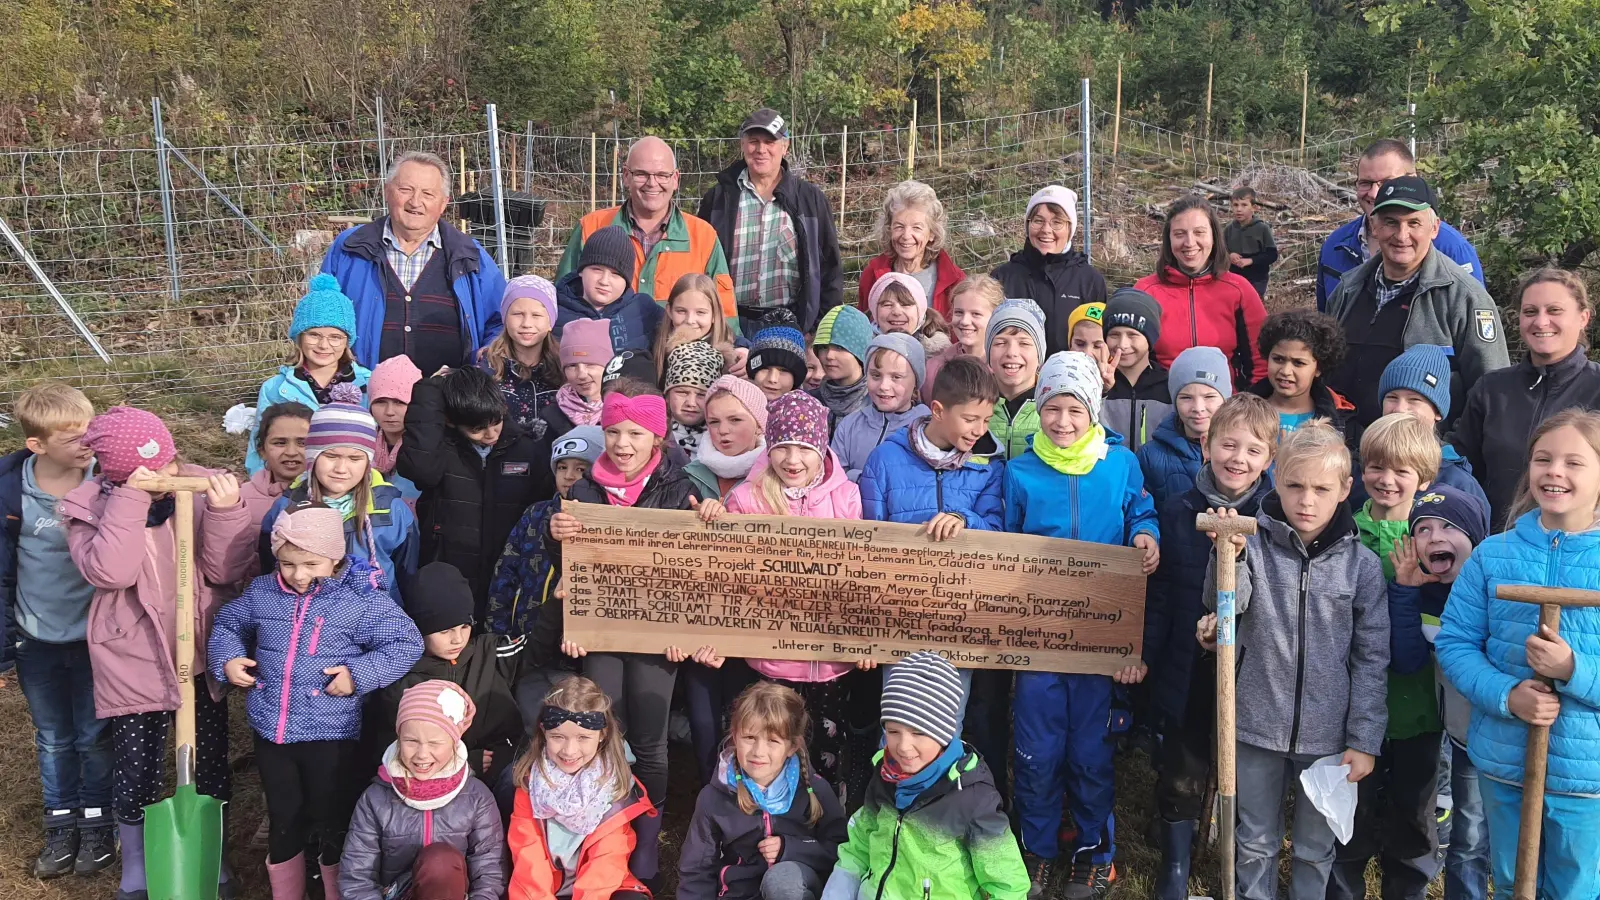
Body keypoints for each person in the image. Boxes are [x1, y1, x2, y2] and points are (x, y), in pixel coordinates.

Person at [61, 406, 257, 900]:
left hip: (196, 651)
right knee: (138, 764)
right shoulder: (86, 508)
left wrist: (229, 511)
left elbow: (223, 570)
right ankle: (137, 868)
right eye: (148, 473)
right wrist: (130, 498)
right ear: (114, 475)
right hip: (136, 656)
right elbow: (113, 572)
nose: (164, 478)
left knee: (210, 762)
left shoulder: (201, 488)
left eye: (167, 466)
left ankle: (211, 855)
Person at [1195, 421, 1388, 900]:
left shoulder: (1360, 566)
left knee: (1313, 847)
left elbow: (1371, 658)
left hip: (1328, 737)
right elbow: (1223, 605)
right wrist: (1231, 558)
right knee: (1255, 840)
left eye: (1321, 489)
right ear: (1276, 479)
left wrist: (1364, 738)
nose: (1306, 501)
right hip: (1255, 723)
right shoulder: (1251, 543)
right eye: (1295, 485)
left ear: (1346, 489)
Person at [209, 502, 423, 899]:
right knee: (283, 817)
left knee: (331, 817)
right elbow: (228, 622)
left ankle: (337, 890)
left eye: (310, 564)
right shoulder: (262, 592)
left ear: (335, 557)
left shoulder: (360, 599)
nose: (298, 575)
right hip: (273, 731)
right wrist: (227, 659)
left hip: (331, 732)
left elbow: (406, 643)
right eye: (288, 564)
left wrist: (358, 676)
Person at [1007, 351, 1159, 900]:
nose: (1063, 422)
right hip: (1039, 639)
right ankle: (1040, 849)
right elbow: (1005, 541)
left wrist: (1146, 536)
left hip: (1099, 640)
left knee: (1092, 753)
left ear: (1094, 410)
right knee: (1037, 752)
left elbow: (1140, 511)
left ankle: (1096, 852)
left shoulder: (1119, 465)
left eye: (1075, 409)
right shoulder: (1021, 470)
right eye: (1052, 408)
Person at [1436, 409, 1600, 899]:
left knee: (1574, 888)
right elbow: (1456, 641)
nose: (1555, 472)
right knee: (1510, 882)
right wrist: (1509, 696)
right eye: (1543, 459)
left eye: (1575, 462)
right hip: (1506, 761)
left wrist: (1574, 670)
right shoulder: (1494, 555)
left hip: (1586, 773)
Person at [548, 384, 700, 883]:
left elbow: (699, 568)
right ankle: (609, 834)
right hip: (604, 632)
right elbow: (571, 571)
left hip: (658, 636)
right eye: (613, 431)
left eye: (635, 432)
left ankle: (647, 844)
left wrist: (710, 517)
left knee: (652, 743)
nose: (622, 443)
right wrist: (560, 543)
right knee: (606, 732)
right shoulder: (585, 489)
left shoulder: (681, 488)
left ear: (656, 438)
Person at [701, 391, 870, 793]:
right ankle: (767, 829)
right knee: (771, 750)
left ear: (822, 448)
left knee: (825, 754)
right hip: (772, 662)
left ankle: (820, 833)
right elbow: (728, 578)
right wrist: (713, 519)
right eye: (783, 448)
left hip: (830, 663)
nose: (793, 460)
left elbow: (859, 577)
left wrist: (866, 639)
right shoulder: (746, 498)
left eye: (804, 449)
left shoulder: (846, 496)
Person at [1144, 393, 1277, 899]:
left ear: (1269, 459)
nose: (1237, 458)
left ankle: (1237, 849)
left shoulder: (1276, 518)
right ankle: (1176, 864)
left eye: (1252, 450)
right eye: (1228, 444)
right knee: (1182, 761)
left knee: (1242, 759)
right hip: (1188, 658)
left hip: (1252, 666)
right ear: (1206, 446)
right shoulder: (1179, 510)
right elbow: (1162, 591)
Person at [859, 357, 1008, 795]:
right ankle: (887, 814)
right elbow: (870, 537)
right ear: (938, 410)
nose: (979, 428)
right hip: (899, 616)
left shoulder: (988, 465)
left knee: (946, 721)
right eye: (970, 417)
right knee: (899, 719)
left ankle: (939, 817)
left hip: (959, 618)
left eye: (986, 418)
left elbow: (998, 527)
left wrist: (965, 519)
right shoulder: (887, 459)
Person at [2, 383, 115, 879]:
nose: (86, 442)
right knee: (52, 738)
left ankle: (97, 822)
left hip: (95, 640)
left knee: (93, 736)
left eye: (89, 430)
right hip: (37, 641)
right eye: (72, 437)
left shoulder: (109, 481)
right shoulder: (12, 495)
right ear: (37, 446)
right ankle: (61, 822)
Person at [1328, 413, 1443, 899]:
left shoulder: (1436, 543)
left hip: (1417, 710)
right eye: (1376, 466)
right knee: (1351, 811)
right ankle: (1343, 887)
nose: (1386, 479)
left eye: (1401, 471)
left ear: (1425, 478)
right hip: (1352, 710)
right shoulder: (1343, 534)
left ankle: (1408, 887)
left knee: (1413, 812)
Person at [819, 652, 1028, 900]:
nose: (904, 747)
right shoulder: (883, 778)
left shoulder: (973, 798)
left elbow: (1007, 885)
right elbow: (859, 848)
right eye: (893, 731)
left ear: (944, 733)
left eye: (919, 732)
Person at [1324, 175, 1509, 431]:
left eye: (1414, 223)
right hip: (1342, 452)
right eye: (1391, 223)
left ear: (1434, 229)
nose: (1402, 235)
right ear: (1374, 226)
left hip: (1416, 462)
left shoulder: (1465, 298)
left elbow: (1493, 392)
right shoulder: (1349, 288)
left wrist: (1449, 451)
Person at [319, 150, 506, 373]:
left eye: (428, 194)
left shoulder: (470, 256)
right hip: (364, 396)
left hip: (448, 401)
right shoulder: (351, 248)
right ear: (388, 192)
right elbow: (320, 316)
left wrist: (480, 365)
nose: (415, 202)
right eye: (405, 189)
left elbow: (500, 322)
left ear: (443, 203)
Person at [1393, 486, 1491, 900]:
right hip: (1464, 737)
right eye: (1423, 529)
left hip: (1507, 733)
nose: (1435, 537)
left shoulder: (1493, 589)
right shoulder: (1425, 595)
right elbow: (1407, 661)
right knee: (1467, 837)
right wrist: (1404, 590)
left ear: (1476, 537)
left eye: (1450, 526)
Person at [1452, 267, 1600, 531]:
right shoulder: (1491, 389)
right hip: (1500, 548)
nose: (1541, 322)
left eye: (1554, 311)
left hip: (1582, 556)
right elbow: (1460, 469)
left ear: (1583, 318)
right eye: (1530, 312)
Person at [368, 563, 526, 802]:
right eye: (444, 631)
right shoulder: (399, 676)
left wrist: (557, 604)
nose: (458, 639)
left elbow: (539, 647)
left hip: (497, 767)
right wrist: (464, 761)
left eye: (464, 627)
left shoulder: (489, 652)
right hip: (429, 779)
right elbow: (391, 748)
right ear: (420, 629)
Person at [397, 366, 549, 610]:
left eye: (495, 423)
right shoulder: (442, 449)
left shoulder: (527, 450)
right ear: (451, 421)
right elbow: (420, 471)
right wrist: (429, 391)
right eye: (476, 429)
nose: (490, 434)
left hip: (507, 575)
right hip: (450, 571)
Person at [679, 681, 848, 900]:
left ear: (793, 746)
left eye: (772, 741)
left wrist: (791, 848)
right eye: (749, 738)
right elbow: (697, 870)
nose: (758, 751)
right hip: (738, 894)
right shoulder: (714, 797)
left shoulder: (815, 790)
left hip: (793, 889)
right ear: (734, 736)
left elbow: (842, 850)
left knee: (783, 879)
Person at [341, 680, 507, 900]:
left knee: (440, 861)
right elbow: (356, 876)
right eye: (411, 741)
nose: (422, 754)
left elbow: (490, 871)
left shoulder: (477, 797)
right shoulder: (376, 798)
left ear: (454, 742)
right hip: (397, 894)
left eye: (435, 743)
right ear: (398, 739)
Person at [558, 136, 739, 333]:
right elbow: (563, 300)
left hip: (679, 355)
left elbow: (724, 311)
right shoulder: (591, 227)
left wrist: (733, 347)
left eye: (662, 175)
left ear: (676, 179)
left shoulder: (703, 236)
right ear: (626, 176)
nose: (652, 183)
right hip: (606, 355)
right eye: (642, 174)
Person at [264, 386, 420, 604]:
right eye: (330, 455)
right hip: (305, 621)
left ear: (368, 463)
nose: (341, 468)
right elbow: (268, 567)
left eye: (354, 459)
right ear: (312, 457)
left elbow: (408, 576)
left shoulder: (391, 510)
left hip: (376, 623)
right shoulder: (287, 508)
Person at [506, 676, 654, 900]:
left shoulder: (616, 787)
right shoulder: (529, 785)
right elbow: (529, 858)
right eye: (558, 737)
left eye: (583, 737)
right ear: (543, 732)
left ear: (602, 735)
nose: (569, 750)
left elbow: (607, 861)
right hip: (542, 891)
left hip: (600, 891)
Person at [699, 108, 844, 335]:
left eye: (770, 142)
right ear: (742, 145)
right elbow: (701, 266)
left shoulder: (810, 199)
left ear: (785, 147)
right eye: (753, 141)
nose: (760, 150)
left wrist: (819, 333)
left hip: (790, 323)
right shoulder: (718, 198)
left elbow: (829, 271)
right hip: (729, 325)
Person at [1316, 138, 1484, 312]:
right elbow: (1324, 323)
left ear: (1412, 179)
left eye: (1387, 183)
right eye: (1366, 183)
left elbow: (1472, 316)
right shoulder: (1336, 245)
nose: (1374, 194)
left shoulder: (1452, 248)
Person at [1137, 195, 1268, 392]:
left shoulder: (1239, 290)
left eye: (1199, 232)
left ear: (1214, 236)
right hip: (1161, 407)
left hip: (1225, 410)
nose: (1190, 242)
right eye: (1180, 234)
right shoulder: (1145, 291)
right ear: (1168, 239)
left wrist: (1248, 405)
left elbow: (1261, 360)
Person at [246, 273, 372, 475]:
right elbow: (258, 447)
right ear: (299, 337)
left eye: (335, 337)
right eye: (314, 335)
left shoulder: (368, 384)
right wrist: (262, 490)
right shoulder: (275, 389)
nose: (324, 345)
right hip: (292, 487)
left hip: (350, 485)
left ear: (347, 341)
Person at [1363, 343, 1490, 512]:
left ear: (1438, 411)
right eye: (1392, 397)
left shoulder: (1458, 483)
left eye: (1414, 400)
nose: (1400, 409)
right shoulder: (1363, 470)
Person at [1137, 346, 1233, 509]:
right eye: (1186, 398)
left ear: (1226, 399)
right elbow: (1140, 511)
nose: (1198, 408)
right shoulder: (1150, 456)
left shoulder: (1245, 450)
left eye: (1209, 397)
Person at [857, 180, 966, 319]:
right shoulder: (872, 275)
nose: (906, 236)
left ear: (932, 233)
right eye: (899, 226)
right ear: (889, 230)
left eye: (917, 228)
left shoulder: (954, 280)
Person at [831, 333, 930, 482]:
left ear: (916, 380)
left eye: (896, 377)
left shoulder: (927, 429)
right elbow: (834, 478)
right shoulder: (849, 426)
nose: (884, 386)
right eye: (876, 375)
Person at [554, 226, 665, 354]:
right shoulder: (554, 309)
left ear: (626, 281)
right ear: (581, 271)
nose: (604, 281)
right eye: (597, 269)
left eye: (615, 274)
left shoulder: (644, 310)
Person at [479, 274, 563, 438]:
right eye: (517, 314)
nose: (526, 323)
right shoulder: (488, 369)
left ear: (550, 322)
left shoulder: (564, 368)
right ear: (504, 318)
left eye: (536, 315)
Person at [1249, 309, 1354, 439]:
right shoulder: (1241, 411)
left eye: (1298, 363)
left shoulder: (1340, 419)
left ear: (1318, 368)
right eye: (1278, 359)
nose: (1285, 371)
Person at [1101, 287, 1170, 453]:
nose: (1122, 345)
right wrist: (1100, 393)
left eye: (1132, 335)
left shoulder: (1169, 388)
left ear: (1150, 339)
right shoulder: (1096, 384)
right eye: (1114, 334)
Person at [686, 376, 768, 502]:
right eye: (714, 422)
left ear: (759, 425)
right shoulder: (688, 475)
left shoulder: (775, 477)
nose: (723, 430)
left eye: (735, 420)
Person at [924, 274, 1005, 403]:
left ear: (995, 317)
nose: (965, 321)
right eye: (959, 312)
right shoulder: (934, 368)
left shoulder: (1006, 367)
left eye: (976, 314)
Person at [651, 273, 744, 380]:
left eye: (700, 312)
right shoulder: (655, 347)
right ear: (669, 311)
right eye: (681, 311)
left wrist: (748, 356)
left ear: (715, 314)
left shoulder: (736, 348)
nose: (690, 320)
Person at [986, 299, 1047, 460]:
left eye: (1024, 343)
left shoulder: (1053, 408)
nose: (1012, 352)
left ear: (1040, 355)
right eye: (1001, 342)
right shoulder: (971, 404)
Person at [243, 403, 314, 533]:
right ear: (262, 451)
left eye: (303, 443)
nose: (291, 452)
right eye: (280, 443)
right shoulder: (240, 500)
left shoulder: (338, 498)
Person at [540, 318, 612, 440]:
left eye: (590, 364)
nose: (582, 375)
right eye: (572, 366)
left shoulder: (623, 410)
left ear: (608, 366)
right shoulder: (551, 416)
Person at [368, 354, 423, 505]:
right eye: (380, 402)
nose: (389, 411)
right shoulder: (361, 445)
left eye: (400, 402)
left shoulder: (426, 448)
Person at [808, 305, 873, 432]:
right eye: (823, 347)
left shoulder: (877, 403)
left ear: (859, 352)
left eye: (839, 347)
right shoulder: (809, 402)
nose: (829, 355)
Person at [662, 340, 727, 458]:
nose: (691, 403)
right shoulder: (654, 436)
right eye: (682, 392)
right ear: (667, 395)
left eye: (701, 395)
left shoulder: (725, 437)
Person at [866, 272, 952, 358]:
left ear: (920, 311)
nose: (896, 312)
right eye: (887, 305)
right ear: (875, 310)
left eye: (905, 304)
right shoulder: (862, 345)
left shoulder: (939, 352)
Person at [1225, 187, 1278, 301]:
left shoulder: (1262, 228)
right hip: (1234, 279)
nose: (1239, 209)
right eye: (1235, 205)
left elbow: (1272, 255)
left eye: (1244, 205)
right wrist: (1229, 255)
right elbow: (1220, 251)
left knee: (1252, 308)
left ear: (1253, 208)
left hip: (1257, 280)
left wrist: (1250, 261)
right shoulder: (1229, 229)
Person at [746, 322, 811, 403]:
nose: (772, 379)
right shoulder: (736, 404)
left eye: (783, 370)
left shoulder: (806, 412)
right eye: (765, 368)